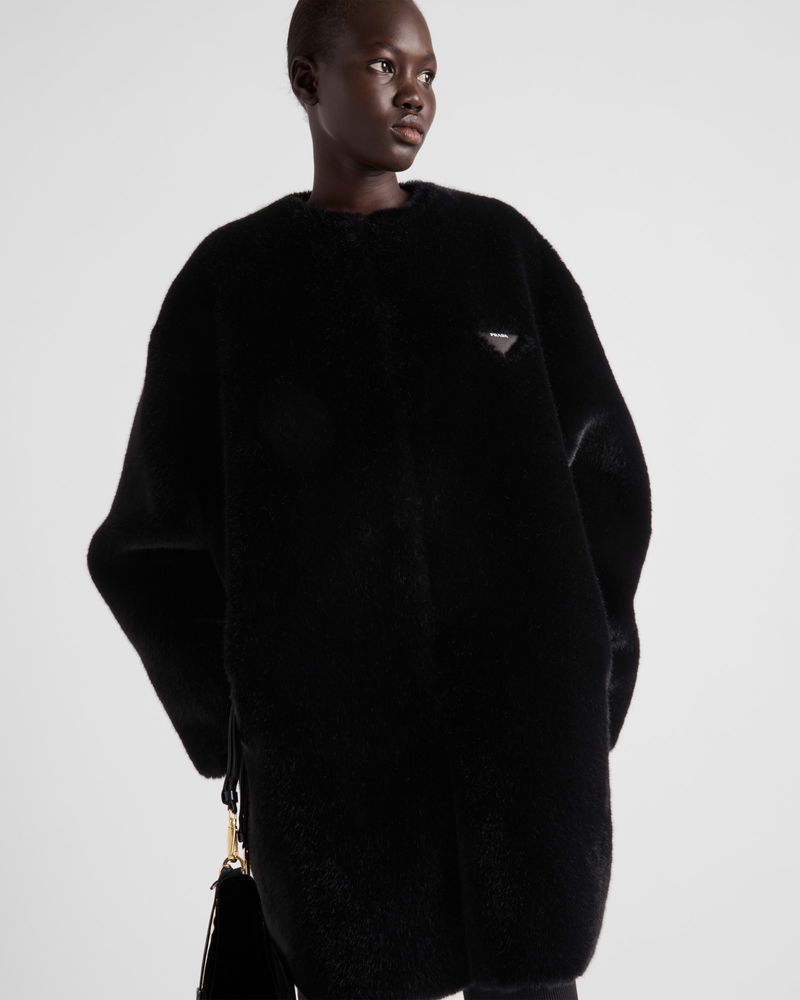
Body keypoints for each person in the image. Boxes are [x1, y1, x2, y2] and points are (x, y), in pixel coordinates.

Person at [86, 1, 652, 998]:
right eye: (385, 66)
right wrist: (246, 725)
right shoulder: (232, 286)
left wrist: (583, 685)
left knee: (534, 975)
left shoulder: (500, 252)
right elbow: (143, 549)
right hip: (338, 804)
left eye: (428, 72)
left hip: (527, 782)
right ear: (307, 78)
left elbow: (607, 481)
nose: (414, 94)